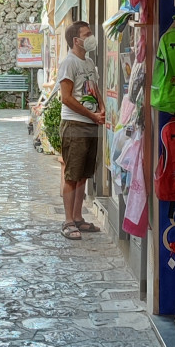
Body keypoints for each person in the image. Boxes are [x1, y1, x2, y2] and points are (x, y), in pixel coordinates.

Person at [58, 19, 104, 239]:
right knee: (71, 175)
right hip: (75, 125)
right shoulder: (69, 63)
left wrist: (102, 108)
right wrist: (91, 114)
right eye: (87, 34)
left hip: (90, 123)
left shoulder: (89, 63)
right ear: (76, 40)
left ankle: (78, 218)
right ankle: (68, 221)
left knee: (83, 175)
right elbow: (66, 98)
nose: (91, 37)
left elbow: (93, 88)